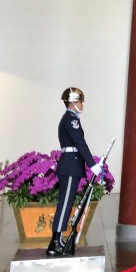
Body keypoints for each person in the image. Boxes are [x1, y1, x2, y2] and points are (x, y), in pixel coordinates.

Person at [46, 87, 103, 257]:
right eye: (80, 101)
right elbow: (79, 142)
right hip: (70, 166)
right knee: (65, 204)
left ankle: (58, 239)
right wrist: (92, 164)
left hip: (71, 165)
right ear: (72, 103)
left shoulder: (71, 119)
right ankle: (55, 242)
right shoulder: (71, 120)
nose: (82, 104)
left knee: (67, 203)